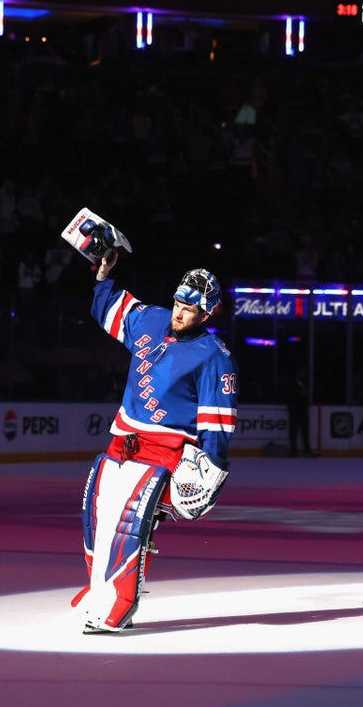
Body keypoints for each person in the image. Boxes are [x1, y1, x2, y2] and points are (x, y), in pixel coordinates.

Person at [73, 246, 238, 634]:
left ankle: (121, 600)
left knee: (128, 521)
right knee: (98, 513)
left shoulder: (214, 357)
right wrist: (103, 274)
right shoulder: (151, 319)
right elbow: (107, 308)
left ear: (207, 314)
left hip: (163, 451)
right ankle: (100, 586)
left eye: (189, 309)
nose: (179, 313)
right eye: (178, 303)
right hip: (121, 440)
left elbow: (217, 423)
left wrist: (213, 468)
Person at [286, 365, 314, 457]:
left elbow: (307, 398)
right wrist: (302, 394)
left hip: (304, 411)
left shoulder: (305, 384)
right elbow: (291, 397)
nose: (303, 374)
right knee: (293, 432)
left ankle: (307, 450)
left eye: (304, 372)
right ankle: (293, 451)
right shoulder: (291, 384)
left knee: (305, 432)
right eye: (301, 372)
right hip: (294, 411)